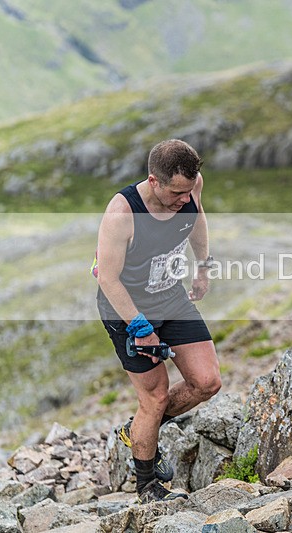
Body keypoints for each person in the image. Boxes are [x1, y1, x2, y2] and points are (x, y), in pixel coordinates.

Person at [95, 139, 221, 502]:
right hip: (127, 309)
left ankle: (138, 431)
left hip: (171, 297)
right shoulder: (122, 214)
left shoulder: (191, 187)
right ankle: (147, 485)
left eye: (189, 190)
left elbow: (196, 217)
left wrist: (203, 265)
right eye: (176, 192)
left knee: (207, 381)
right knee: (154, 396)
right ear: (154, 181)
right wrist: (140, 327)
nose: (185, 198)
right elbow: (107, 278)